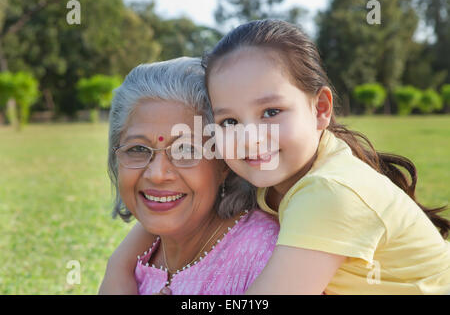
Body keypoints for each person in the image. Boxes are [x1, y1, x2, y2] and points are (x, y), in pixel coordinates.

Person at [101, 20, 450, 295]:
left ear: (321, 109)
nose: (250, 139)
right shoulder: (283, 176)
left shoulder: (329, 192)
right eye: (231, 121)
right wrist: (119, 263)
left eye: (271, 112)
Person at [98, 57, 279, 295]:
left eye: (185, 150)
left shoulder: (266, 256)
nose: (157, 174)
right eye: (138, 149)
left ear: (224, 162)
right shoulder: (138, 257)